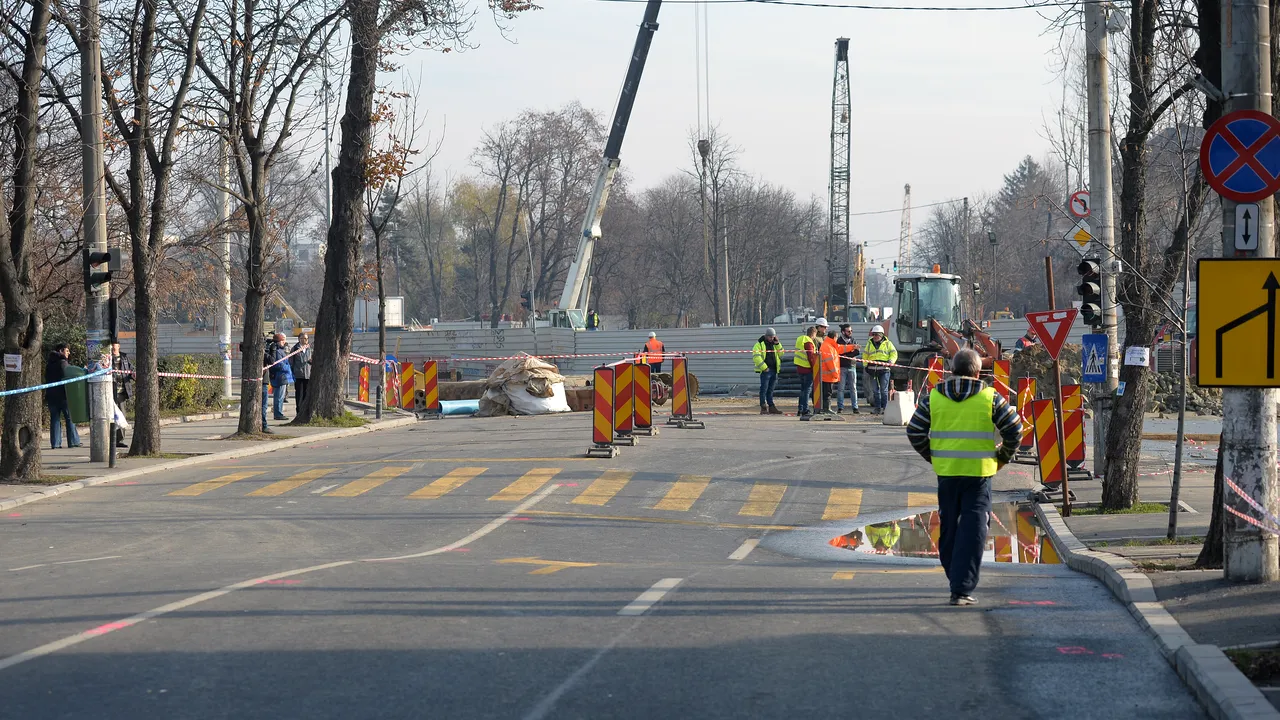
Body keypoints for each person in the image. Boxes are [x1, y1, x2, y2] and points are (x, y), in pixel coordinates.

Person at [906, 348, 1022, 606]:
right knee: (974, 528)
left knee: (948, 528)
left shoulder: (934, 397)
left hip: (947, 474)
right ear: (979, 372)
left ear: (952, 370)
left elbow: (914, 431)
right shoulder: (991, 398)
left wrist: (933, 456)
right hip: (979, 476)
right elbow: (1015, 429)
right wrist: (1002, 457)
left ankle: (955, 577)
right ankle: (961, 587)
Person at [44, 343, 81, 449]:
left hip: (51, 394)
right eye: (67, 350)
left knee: (55, 419)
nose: (68, 353)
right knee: (69, 418)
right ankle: (73, 441)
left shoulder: (49, 363)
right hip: (64, 395)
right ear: (60, 351)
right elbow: (68, 375)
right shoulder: (63, 362)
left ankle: (55, 443)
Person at [863, 325, 897, 414]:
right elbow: (865, 355)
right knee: (875, 391)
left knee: (884, 390)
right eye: (873, 334)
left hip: (884, 370)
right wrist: (865, 365)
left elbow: (894, 353)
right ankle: (877, 408)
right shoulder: (869, 343)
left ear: (881, 335)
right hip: (872, 370)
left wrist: (891, 361)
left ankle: (885, 408)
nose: (874, 336)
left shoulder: (888, 343)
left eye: (876, 335)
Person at [752, 328, 784, 415]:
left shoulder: (774, 344)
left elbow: (781, 354)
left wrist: (777, 344)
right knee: (764, 389)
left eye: (773, 337)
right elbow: (756, 357)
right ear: (766, 336)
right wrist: (764, 367)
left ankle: (771, 406)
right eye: (770, 337)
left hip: (774, 370)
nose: (771, 339)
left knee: (770, 389)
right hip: (766, 371)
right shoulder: (759, 344)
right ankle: (763, 407)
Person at [793, 325, 820, 417]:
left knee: (803, 390)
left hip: (799, 368)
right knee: (807, 390)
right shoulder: (809, 342)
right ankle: (805, 409)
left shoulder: (800, 339)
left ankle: (800, 409)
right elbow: (811, 357)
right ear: (814, 334)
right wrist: (815, 368)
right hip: (807, 369)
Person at [110, 342, 133, 448]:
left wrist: (134, 375)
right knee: (109, 416)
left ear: (119, 346)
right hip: (110, 391)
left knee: (121, 415)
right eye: (112, 345)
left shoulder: (124, 357)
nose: (113, 347)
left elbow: (131, 370)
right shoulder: (108, 358)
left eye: (115, 345)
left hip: (121, 392)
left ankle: (119, 439)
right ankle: (110, 439)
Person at [836, 323, 861, 414]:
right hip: (842, 367)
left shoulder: (853, 340)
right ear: (843, 332)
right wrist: (849, 352)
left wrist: (848, 355)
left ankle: (855, 407)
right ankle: (840, 407)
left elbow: (857, 351)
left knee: (853, 388)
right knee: (841, 388)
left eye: (851, 331)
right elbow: (838, 352)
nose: (850, 332)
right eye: (848, 331)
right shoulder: (838, 341)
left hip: (852, 366)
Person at [818, 329, 841, 414]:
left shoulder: (828, 345)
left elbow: (840, 348)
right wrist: (835, 374)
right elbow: (830, 362)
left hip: (826, 375)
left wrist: (852, 347)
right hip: (828, 376)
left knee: (826, 392)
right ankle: (826, 408)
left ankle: (825, 408)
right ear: (834, 337)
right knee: (827, 393)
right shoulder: (828, 346)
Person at [290, 333, 313, 408]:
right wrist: (293, 372)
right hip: (298, 374)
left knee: (306, 394)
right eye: (302, 338)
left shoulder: (310, 348)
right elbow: (291, 362)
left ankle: (304, 409)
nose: (304, 340)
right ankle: (299, 409)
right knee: (299, 394)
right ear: (299, 339)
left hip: (308, 374)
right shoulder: (295, 349)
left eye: (306, 339)